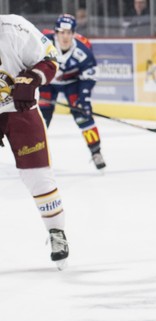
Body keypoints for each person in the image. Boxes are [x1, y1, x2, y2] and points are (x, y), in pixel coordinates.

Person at [0, 14, 69, 269]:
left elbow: (51, 58)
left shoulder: (15, 29)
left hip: (21, 111)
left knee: (38, 176)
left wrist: (33, 78)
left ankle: (56, 232)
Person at [40, 14, 105, 170]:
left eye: (69, 33)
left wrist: (84, 98)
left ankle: (96, 152)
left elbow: (89, 77)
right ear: (56, 32)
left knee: (84, 115)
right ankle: (34, 154)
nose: (65, 37)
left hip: (72, 84)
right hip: (47, 83)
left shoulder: (84, 51)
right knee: (41, 119)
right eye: (62, 32)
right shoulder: (42, 43)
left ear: (74, 33)